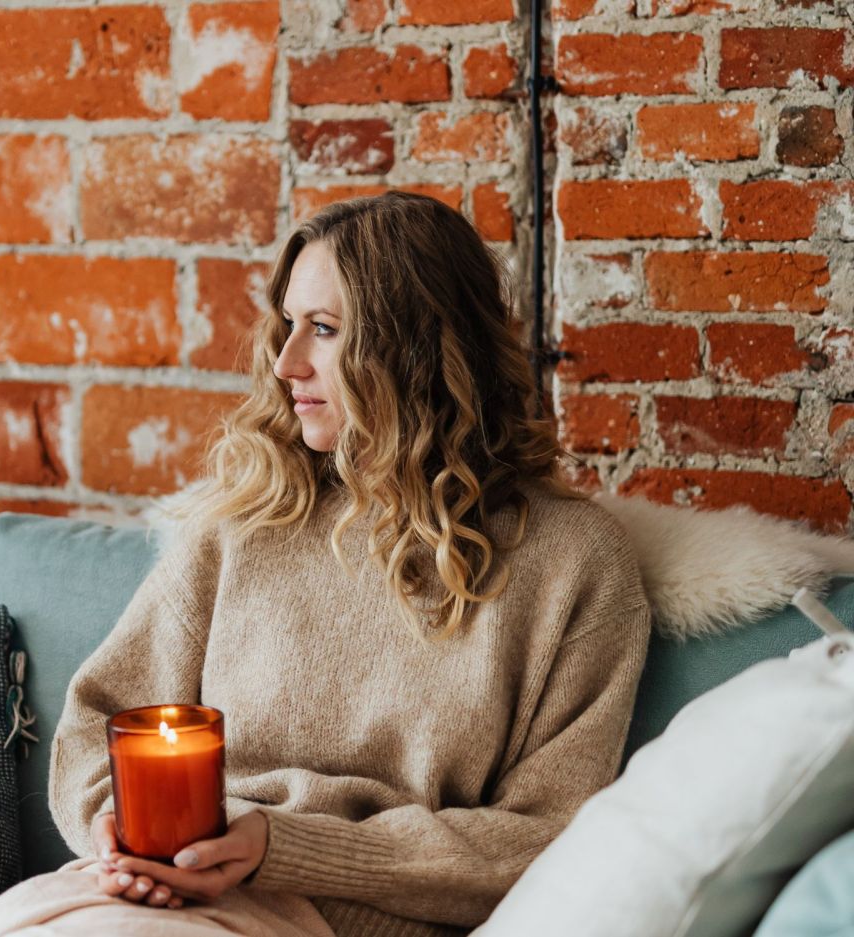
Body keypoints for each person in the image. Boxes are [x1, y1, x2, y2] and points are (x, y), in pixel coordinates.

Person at [45, 191, 652, 937]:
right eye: (287, 325)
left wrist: (285, 847)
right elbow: (97, 722)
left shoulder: (573, 564)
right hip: (139, 897)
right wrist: (120, 826)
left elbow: (545, 838)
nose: (286, 360)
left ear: (419, 348)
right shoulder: (246, 524)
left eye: (324, 329)